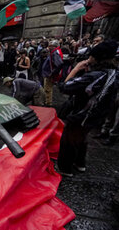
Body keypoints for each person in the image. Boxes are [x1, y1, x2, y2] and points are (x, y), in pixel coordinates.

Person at [57, 41, 118, 177]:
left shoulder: (95, 76)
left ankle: (65, 169)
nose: (88, 59)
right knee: (82, 138)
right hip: (97, 115)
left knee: (69, 140)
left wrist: (75, 69)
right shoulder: (113, 73)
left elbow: (65, 87)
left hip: (83, 114)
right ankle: (80, 163)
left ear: (96, 58)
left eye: (90, 56)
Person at [42, 40, 63, 106]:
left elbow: (59, 64)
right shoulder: (53, 52)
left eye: (50, 46)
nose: (49, 47)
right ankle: (47, 101)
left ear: (54, 46)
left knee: (47, 89)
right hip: (48, 73)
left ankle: (48, 103)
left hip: (49, 75)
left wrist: (52, 73)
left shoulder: (55, 53)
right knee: (47, 89)